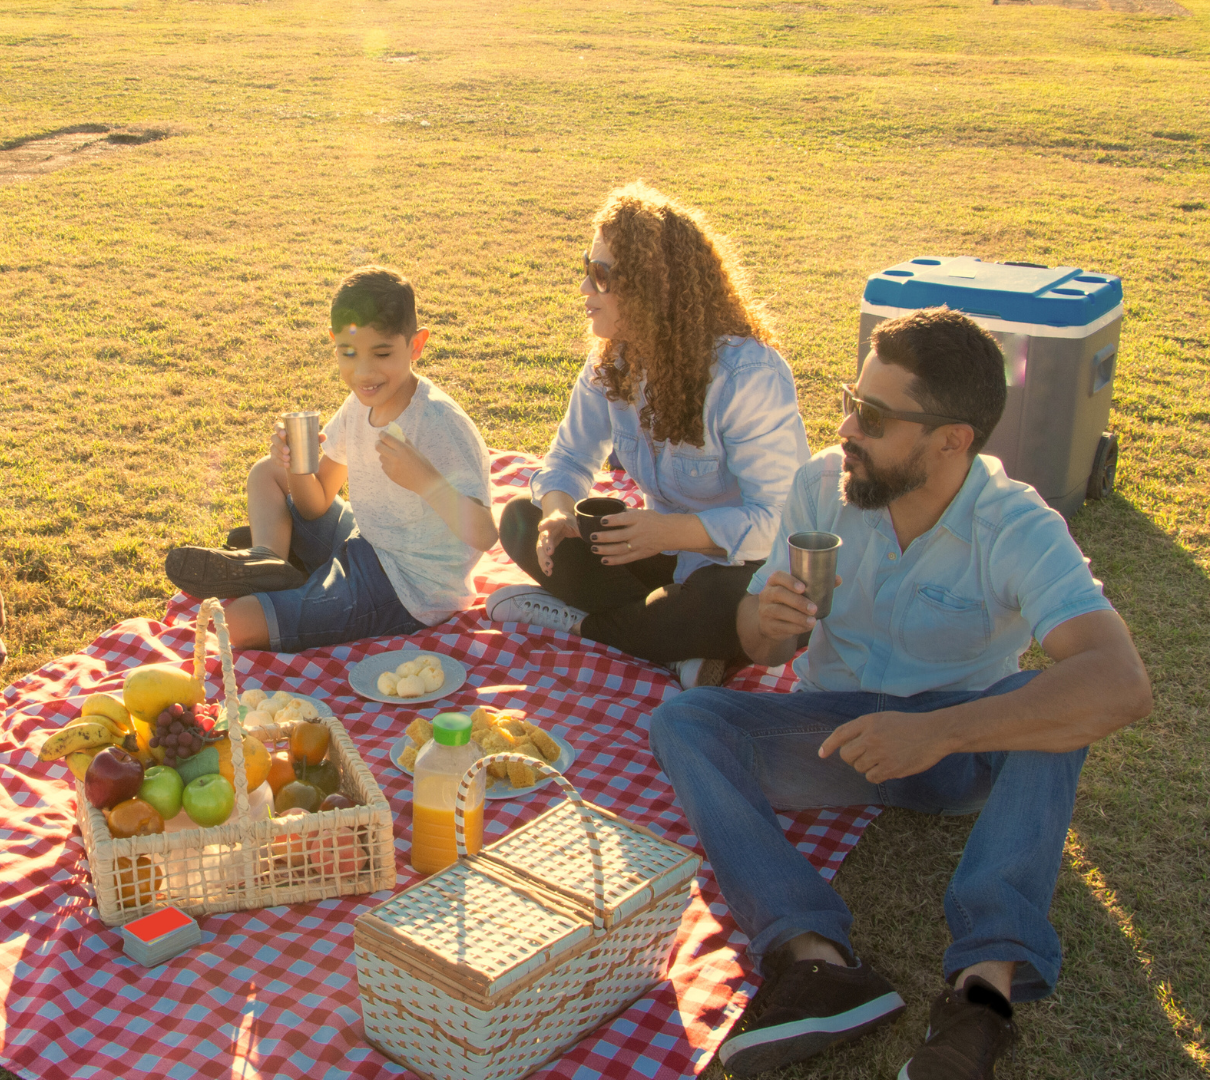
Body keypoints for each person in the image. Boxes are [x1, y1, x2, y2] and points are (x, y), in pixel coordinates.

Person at [648, 308, 1151, 1079]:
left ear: (952, 439)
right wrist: (765, 620)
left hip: (961, 750)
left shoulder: (1016, 524)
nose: (848, 427)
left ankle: (981, 996)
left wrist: (940, 732)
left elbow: (1120, 682)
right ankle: (816, 961)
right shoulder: (823, 486)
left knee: (1059, 710)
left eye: (875, 417)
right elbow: (763, 646)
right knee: (684, 720)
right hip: (833, 734)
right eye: (852, 399)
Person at [487, 183, 809, 688]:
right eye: (586, 269)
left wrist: (671, 532)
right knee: (521, 521)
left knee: (727, 602)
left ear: (651, 287)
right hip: (658, 555)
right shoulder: (613, 361)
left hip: (736, 567)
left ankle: (585, 624)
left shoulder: (747, 376)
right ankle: (675, 644)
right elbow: (570, 455)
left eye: (601, 276)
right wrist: (557, 510)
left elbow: (778, 522)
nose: (584, 291)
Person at [162, 265, 496, 651]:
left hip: (409, 587)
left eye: (382, 353)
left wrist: (425, 481)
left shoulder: (438, 423)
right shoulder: (360, 405)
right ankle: (268, 560)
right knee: (267, 473)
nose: (364, 371)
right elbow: (315, 502)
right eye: (349, 353)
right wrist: (295, 467)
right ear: (334, 344)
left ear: (416, 345)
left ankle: (296, 577)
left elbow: (484, 534)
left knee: (233, 624)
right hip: (367, 537)